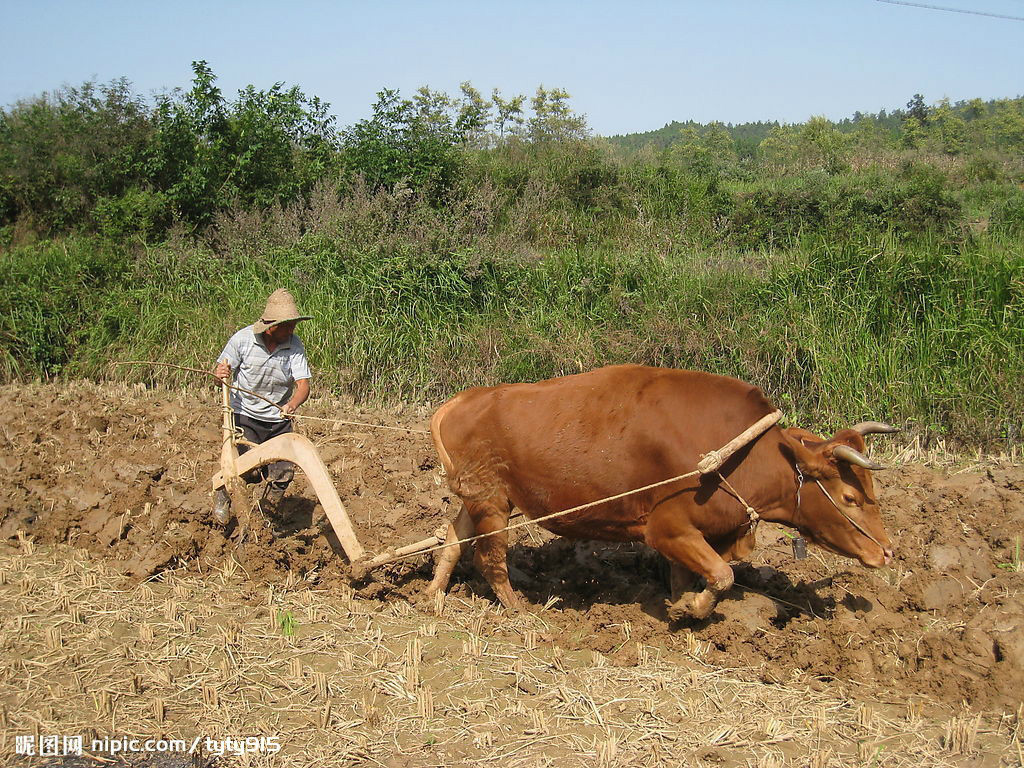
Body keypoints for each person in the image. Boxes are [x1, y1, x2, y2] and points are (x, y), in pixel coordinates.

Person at [212, 288, 313, 525]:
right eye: (287, 326)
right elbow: (219, 378)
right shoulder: (242, 339)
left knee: (283, 473)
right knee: (249, 470)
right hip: (245, 415)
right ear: (271, 326)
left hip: (278, 420)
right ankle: (223, 492)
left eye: (293, 325)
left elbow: (303, 386)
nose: (292, 330)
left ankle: (263, 518)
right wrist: (220, 374)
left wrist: (292, 404)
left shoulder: (294, 345)